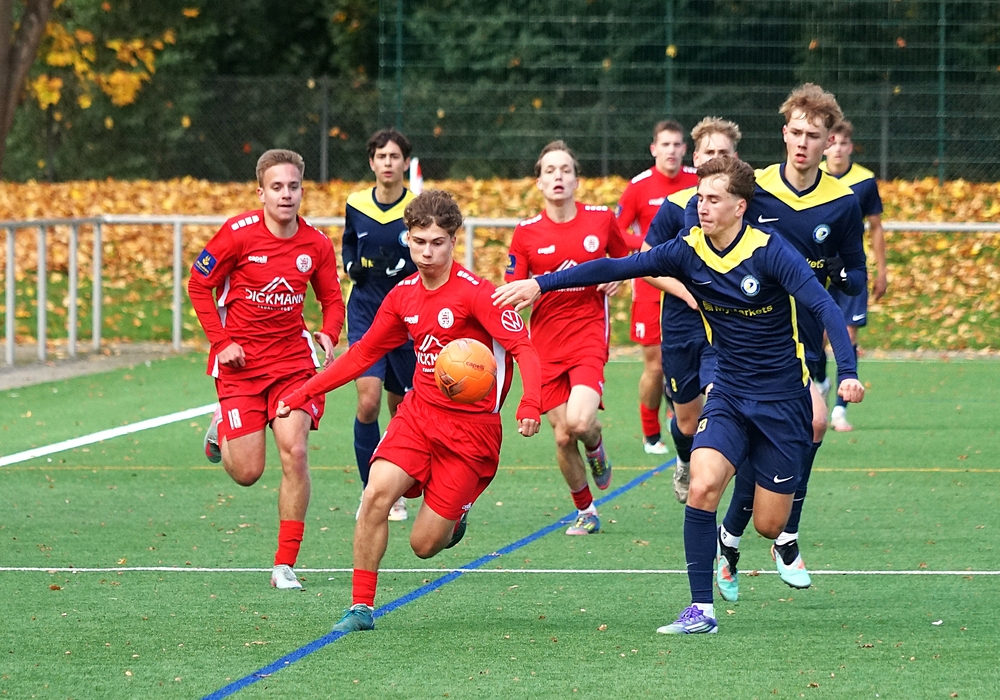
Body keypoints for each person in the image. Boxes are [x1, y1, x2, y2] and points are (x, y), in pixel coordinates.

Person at [493, 156, 865, 634]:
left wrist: (848, 371)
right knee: (703, 486)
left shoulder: (771, 252)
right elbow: (616, 265)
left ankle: (735, 537)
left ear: (740, 206)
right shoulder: (688, 250)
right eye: (699, 198)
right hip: (728, 392)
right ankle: (700, 610)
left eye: (713, 199)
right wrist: (539, 283)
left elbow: (824, 306)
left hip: (781, 399)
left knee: (770, 525)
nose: (702, 207)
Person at [276, 190, 542, 633]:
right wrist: (306, 391)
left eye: (437, 243)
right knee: (375, 494)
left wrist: (530, 402)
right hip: (418, 417)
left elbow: (524, 349)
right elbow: (363, 354)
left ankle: (454, 518)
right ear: (408, 239)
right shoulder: (403, 296)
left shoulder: (479, 295)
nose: (426, 252)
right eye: (418, 242)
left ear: (453, 240)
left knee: (424, 544)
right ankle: (361, 606)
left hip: (471, 433)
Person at [691, 85, 866, 599]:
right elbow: (707, 228)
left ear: (829, 141)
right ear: (784, 133)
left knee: (807, 428)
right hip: (748, 340)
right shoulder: (756, 188)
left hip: (803, 336)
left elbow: (855, 273)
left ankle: (747, 536)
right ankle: (777, 538)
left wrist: (837, 273)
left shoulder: (842, 202)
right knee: (806, 421)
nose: (804, 143)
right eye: (796, 132)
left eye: (814, 135)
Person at [188, 149, 345, 590]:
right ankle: (223, 424)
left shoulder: (315, 244)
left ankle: (284, 564)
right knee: (247, 472)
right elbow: (198, 284)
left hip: (293, 365)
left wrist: (329, 334)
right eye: (276, 187)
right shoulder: (236, 235)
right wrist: (222, 343)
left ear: (302, 190)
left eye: (293, 186)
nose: (285, 194)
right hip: (240, 366)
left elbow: (332, 300)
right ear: (261, 193)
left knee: (295, 451)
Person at [504, 140, 630, 536]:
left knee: (578, 421)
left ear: (576, 180)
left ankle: (595, 443)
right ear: (539, 183)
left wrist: (619, 278)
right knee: (561, 437)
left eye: (565, 170)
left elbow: (627, 262)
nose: (558, 177)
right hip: (545, 345)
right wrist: (516, 303)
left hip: (588, 336)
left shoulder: (601, 220)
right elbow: (512, 289)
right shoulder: (525, 233)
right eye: (550, 171)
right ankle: (586, 511)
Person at [642, 116, 741, 503]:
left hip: (725, 327)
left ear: (735, 158)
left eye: (724, 152)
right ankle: (685, 460)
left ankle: (713, 484)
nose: (716, 158)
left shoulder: (744, 208)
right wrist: (685, 292)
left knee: (720, 402)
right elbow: (647, 264)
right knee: (686, 421)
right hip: (681, 327)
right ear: (695, 158)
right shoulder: (675, 207)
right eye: (709, 152)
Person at [343, 128, 418, 521]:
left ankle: (397, 485)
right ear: (371, 162)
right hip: (366, 314)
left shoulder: (418, 206)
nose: (388, 163)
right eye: (381, 156)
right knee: (368, 401)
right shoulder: (356, 203)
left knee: (401, 406)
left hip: (407, 318)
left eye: (395, 156)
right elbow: (349, 244)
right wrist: (352, 265)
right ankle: (371, 489)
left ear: (405, 162)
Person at [616, 120, 698, 455]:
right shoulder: (639, 187)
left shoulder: (698, 181)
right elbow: (617, 232)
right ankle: (651, 434)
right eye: (665, 144)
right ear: (653, 149)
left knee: (693, 358)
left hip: (692, 284)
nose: (671, 151)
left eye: (677, 144)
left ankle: (681, 415)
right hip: (650, 286)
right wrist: (652, 249)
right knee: (656, 364)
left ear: (685, 149)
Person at [820, 119, 887, 432]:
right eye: (832, 142)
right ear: (825, 146)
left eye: (843, 143)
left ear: (850, 147)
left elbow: (876, 227)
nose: (837, 149)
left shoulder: (864, 180)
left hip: (850, 269)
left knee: (847, 337)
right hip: (818, 267)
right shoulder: (814, 176)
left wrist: (882, 270)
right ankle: (820, 382)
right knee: (816, 339)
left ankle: (839, 409)